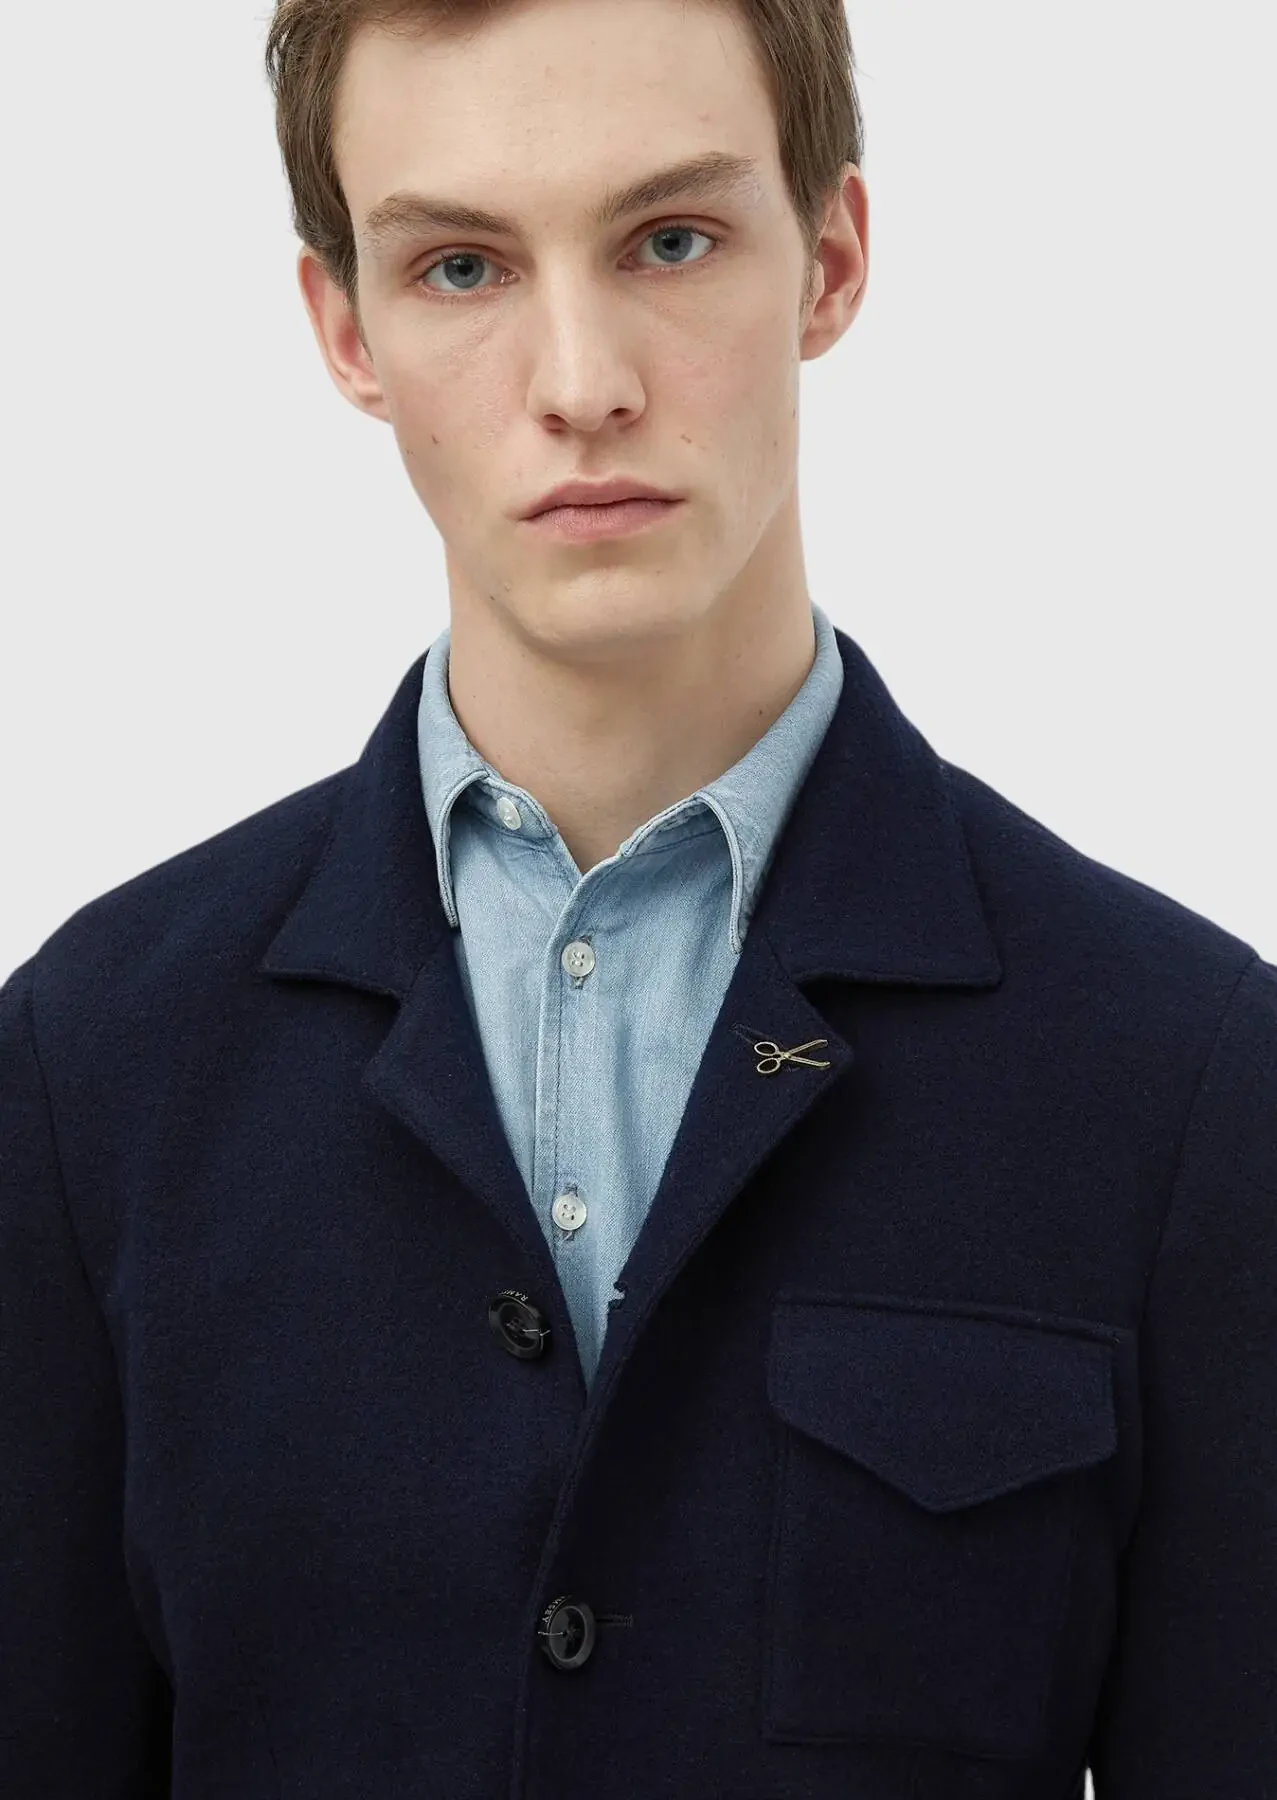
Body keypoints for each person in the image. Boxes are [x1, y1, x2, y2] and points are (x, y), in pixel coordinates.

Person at [1, 0, 1273, 1794]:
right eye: (460, 267)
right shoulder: (89, 1070)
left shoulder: (1187, 1080)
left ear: (831, 258)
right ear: (345, 329)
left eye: (670, 240)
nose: (581, 379)